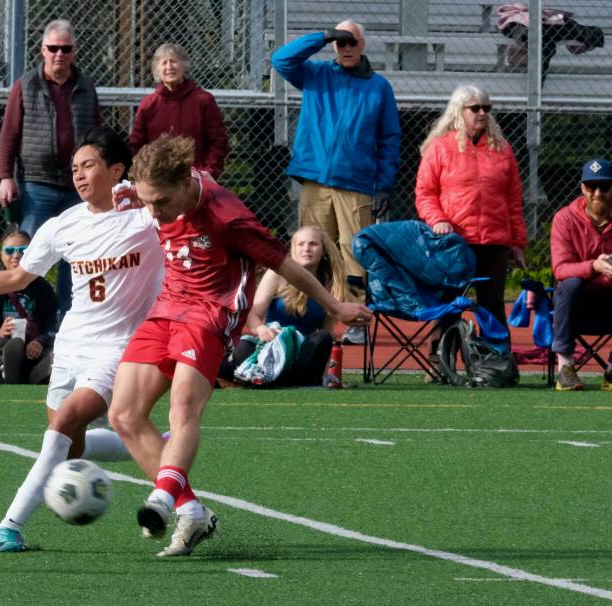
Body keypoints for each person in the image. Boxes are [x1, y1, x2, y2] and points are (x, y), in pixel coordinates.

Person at [107, 135, 371, 557]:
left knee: (182, 408)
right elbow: (134, 195)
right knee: (123, 414)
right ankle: (190, 509)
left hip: (210, 314)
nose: (153, 212)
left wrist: (336, 305)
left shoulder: (227, 216)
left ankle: (161, 497)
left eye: (159, 202)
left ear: (182, 184)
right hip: (166, 307)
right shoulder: (155, 189)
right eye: (147, 201)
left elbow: (289, 267)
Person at [0, 127, 164, 553]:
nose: (79, 176)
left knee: (63, 425)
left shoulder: (147, 217)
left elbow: (198, 189)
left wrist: (145, 193)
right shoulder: (63, 225)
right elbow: (15, 276)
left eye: (88, 166)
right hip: (70, 347)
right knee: (70, 444)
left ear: (117, 170)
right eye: (74, 169)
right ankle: (163, 447)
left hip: (117, 349)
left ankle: (10, 525)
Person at [271, 19, 401, 345]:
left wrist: (384, 184)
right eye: (339, 42)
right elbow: (281, 60)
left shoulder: (379, 87)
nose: (345, 48)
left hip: (357, 182)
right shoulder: (317, 75)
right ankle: (304, 313)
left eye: (351, 41)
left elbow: (389, 138)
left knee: (354, 250)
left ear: (363, 45)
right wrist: (322, 36)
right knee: (309, 250)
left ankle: (356, 316)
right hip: (316, 179)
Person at [0, 19, 102, 326]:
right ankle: (27, 318)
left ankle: (69, 319)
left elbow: (95, 135)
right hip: (35, 184)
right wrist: (6, 176)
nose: (59, 54)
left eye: (65, 48)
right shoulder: (25, 85)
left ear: (74, 51)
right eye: (53, 48)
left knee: (76, 255)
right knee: (30, 255)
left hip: (77, 186)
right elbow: (8, 135)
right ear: (42, 49)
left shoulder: (86, 87)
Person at [415, 83, 527, 347]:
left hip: (494, 242)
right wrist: (438, 220)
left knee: (493, 304)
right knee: (449, 304)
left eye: (486, 108)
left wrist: (517, 243)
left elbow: (513, 200)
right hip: (454, 240)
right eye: (475, 108)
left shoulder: (502, 150)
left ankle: (497, 362)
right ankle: (439, 363)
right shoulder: (440, 148)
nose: (482, 113)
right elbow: (425, 193)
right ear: (459, 111)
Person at [550, 159, 612, 391]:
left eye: (604, 187)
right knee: (569, 283)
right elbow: (561, 268)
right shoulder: (564, 219)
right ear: (582, 188)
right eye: (591, 186)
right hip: (578, 304)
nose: (597, 193)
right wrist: (594, 266)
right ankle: (565, 366)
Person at [219, 225, 346, 386]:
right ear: (293, 248)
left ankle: (278, 379)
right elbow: (253, 315)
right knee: (244, 347)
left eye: (313, 244)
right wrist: (261, 329)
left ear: (323, 250)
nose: (306, 249)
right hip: (273, 346)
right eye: (301, 244)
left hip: (302, 353)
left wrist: (326, 371)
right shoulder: (276, 275)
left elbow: (326, 329)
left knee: (324, 338)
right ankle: (260, 376)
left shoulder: (329, 280)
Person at [0, 227, 57, 384]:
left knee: (54, 352)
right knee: (6, 346)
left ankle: (38, 373)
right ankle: (7, 369)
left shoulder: (43, 287)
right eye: (9, 250)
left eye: (23, 250)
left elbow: (53, 324)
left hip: (33, 345)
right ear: (1, 255)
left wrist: (41, 341)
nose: (16, 255)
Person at [128, 43, 230, 180]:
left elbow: (218, 141)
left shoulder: (203, 100)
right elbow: (137, 145)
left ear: (184, 66)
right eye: (164, 63)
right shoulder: (148, 105)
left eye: (174, 61)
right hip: (157, 180)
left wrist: (208, 173)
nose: (169, 67)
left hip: (195, 179)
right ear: (157, 70)